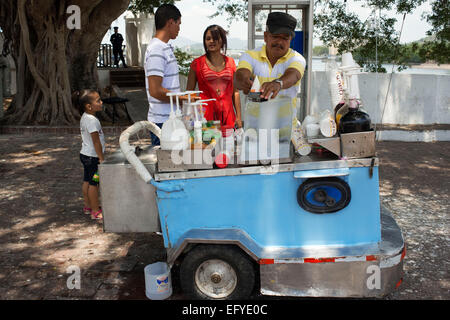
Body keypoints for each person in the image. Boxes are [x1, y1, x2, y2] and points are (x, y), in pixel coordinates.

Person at [234, 12, 306, 115]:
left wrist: (278, 84)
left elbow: (294, 74)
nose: (280, 42)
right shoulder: (249, 55)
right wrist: (243, 81)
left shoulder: (297, 59)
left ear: (290, 39)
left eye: (285, 38)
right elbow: (240, 74)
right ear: (265, 36)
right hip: (255, 128)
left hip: (286, 128)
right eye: (275, 36)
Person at [186, 25, 242, 129]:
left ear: (222, 40)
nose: (211, 41)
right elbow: (189, 93)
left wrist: (238, 117)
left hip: (228, 117)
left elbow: (235, 92)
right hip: (206, 119)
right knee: (209, 144)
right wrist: (193, 118)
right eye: (208, 39)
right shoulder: (197, 63)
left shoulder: (231, 62)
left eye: (215, 38)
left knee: (229, 144)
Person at [144, 4, 184, 146]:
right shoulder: (157, 49)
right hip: (162, 123)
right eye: (178, 24)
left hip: (170, 120)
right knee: (167, 166)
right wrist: (184, 99)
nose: (179, 28)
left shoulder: (164, 47)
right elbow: (155, 90)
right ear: (170, 22)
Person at [73, 89, 105, 220]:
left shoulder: (85, 117)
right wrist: (101, 158)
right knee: (94, 183)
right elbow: (96, 141)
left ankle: (88, 206)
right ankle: (95, 210)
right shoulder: (92, 121)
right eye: (98, 101)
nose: (101, 102)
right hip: (93, 157)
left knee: (87, 180)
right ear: (89, 106)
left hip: (85, 155)